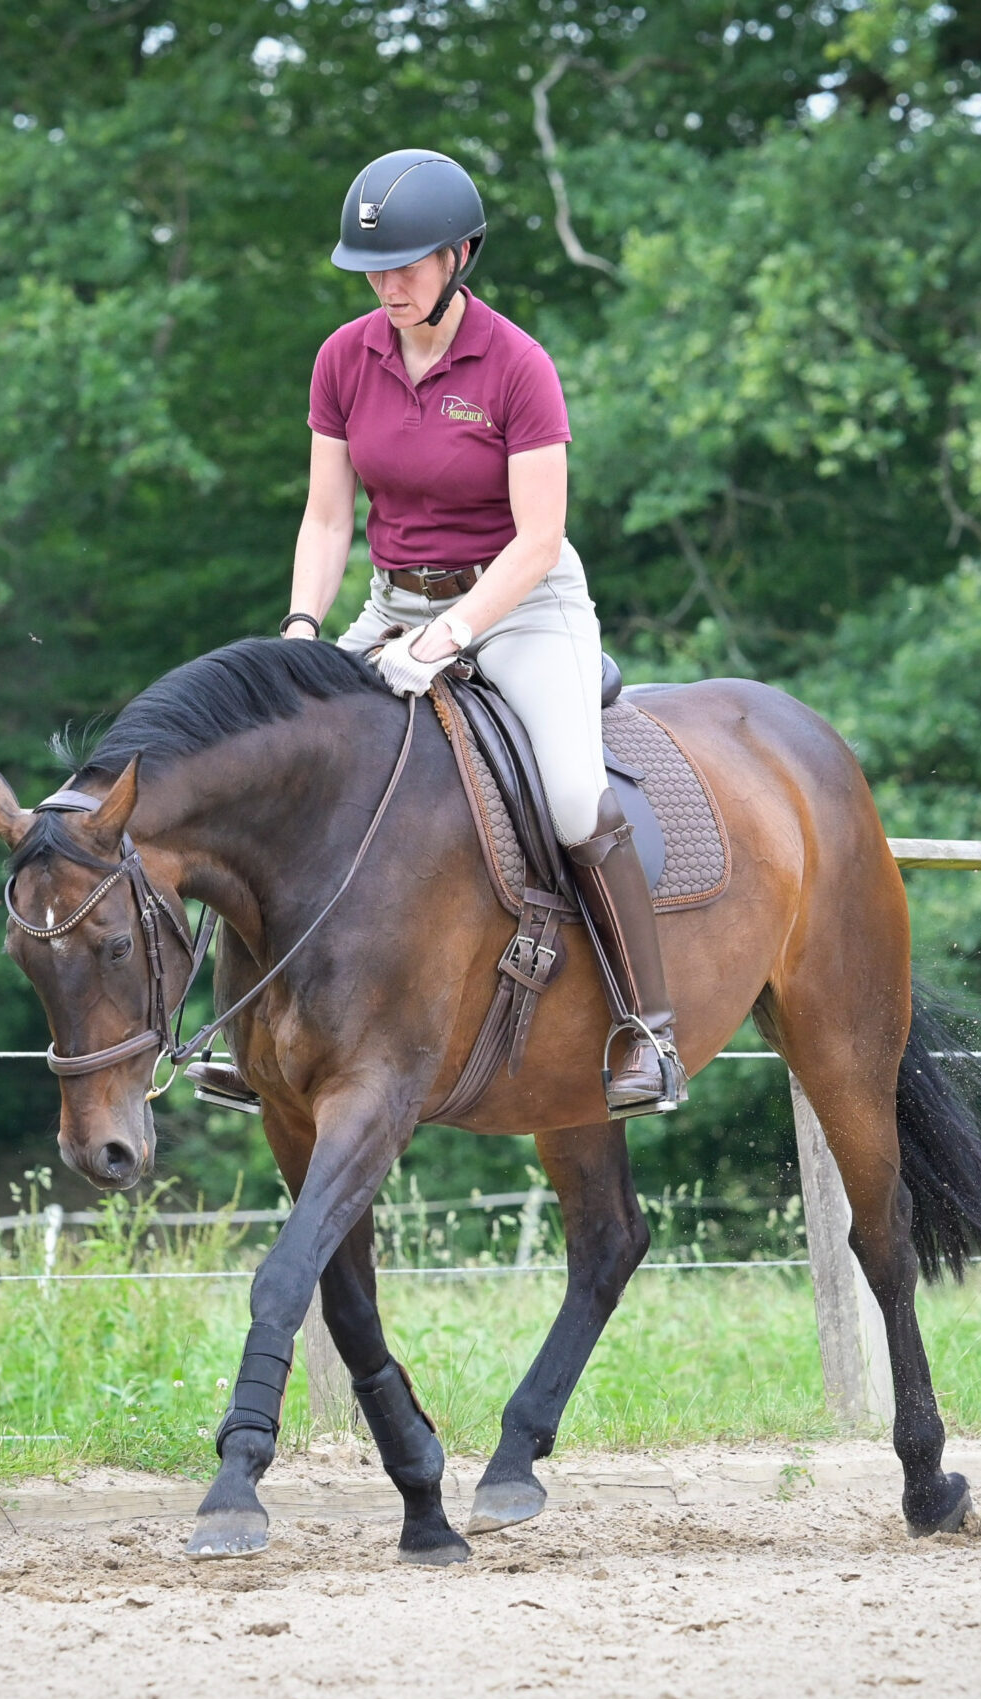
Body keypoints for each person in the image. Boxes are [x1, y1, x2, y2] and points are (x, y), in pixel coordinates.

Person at [281, 147, 684, 1116]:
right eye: (372, 271)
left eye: (405, 267)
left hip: (521, 602)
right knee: (275, 759)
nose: (387, 287)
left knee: (575, 795)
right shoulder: (344, 358)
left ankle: (647, 1026)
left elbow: (538, 538)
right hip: (392, 600)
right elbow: (329, 518)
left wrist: (445, 639)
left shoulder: (516, 365)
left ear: (459, 255)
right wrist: (301, 627)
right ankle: (245, 1038)